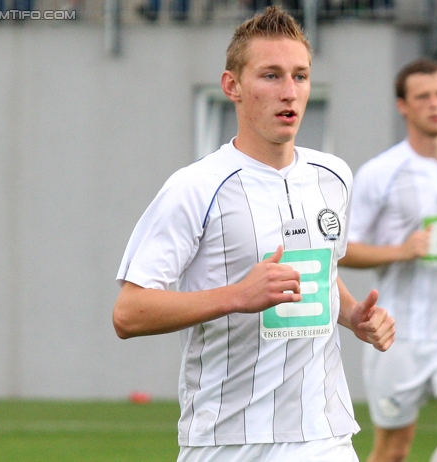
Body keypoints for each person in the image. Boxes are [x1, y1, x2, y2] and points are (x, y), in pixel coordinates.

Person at [112, 6, 395, 462]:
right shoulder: (196, 187)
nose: (289, 92)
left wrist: (354, 315)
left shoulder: (334, 177)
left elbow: (319, 272)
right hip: (227, 442)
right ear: (233, 87)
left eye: (300, 76)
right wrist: (237, 295)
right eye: (271, 76)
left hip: (325, 436)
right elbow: (129, 313)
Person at [339, 58, 437, 462]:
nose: (434, 104)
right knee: (392, 450)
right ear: (402, 106)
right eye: (423, 96)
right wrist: (401, 250)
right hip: (399, 333)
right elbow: (342, 251)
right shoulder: (380, 172)